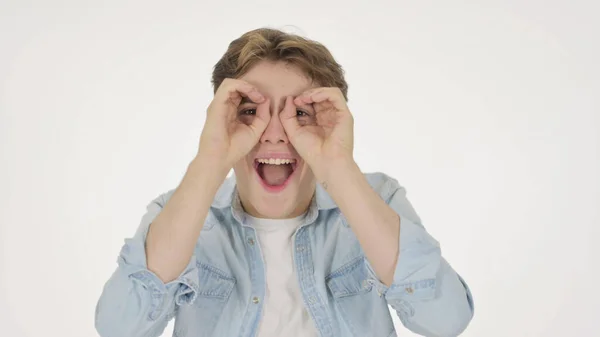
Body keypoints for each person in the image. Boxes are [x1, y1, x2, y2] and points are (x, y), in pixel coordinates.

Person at [95, 27, 474, 337]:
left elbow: (444, 320)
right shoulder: (180, 213)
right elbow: (119, 327)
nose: (275, 133)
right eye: (249, 111)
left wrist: (338, 165)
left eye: (301, 113)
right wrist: (210, 159)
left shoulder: (375, 199)